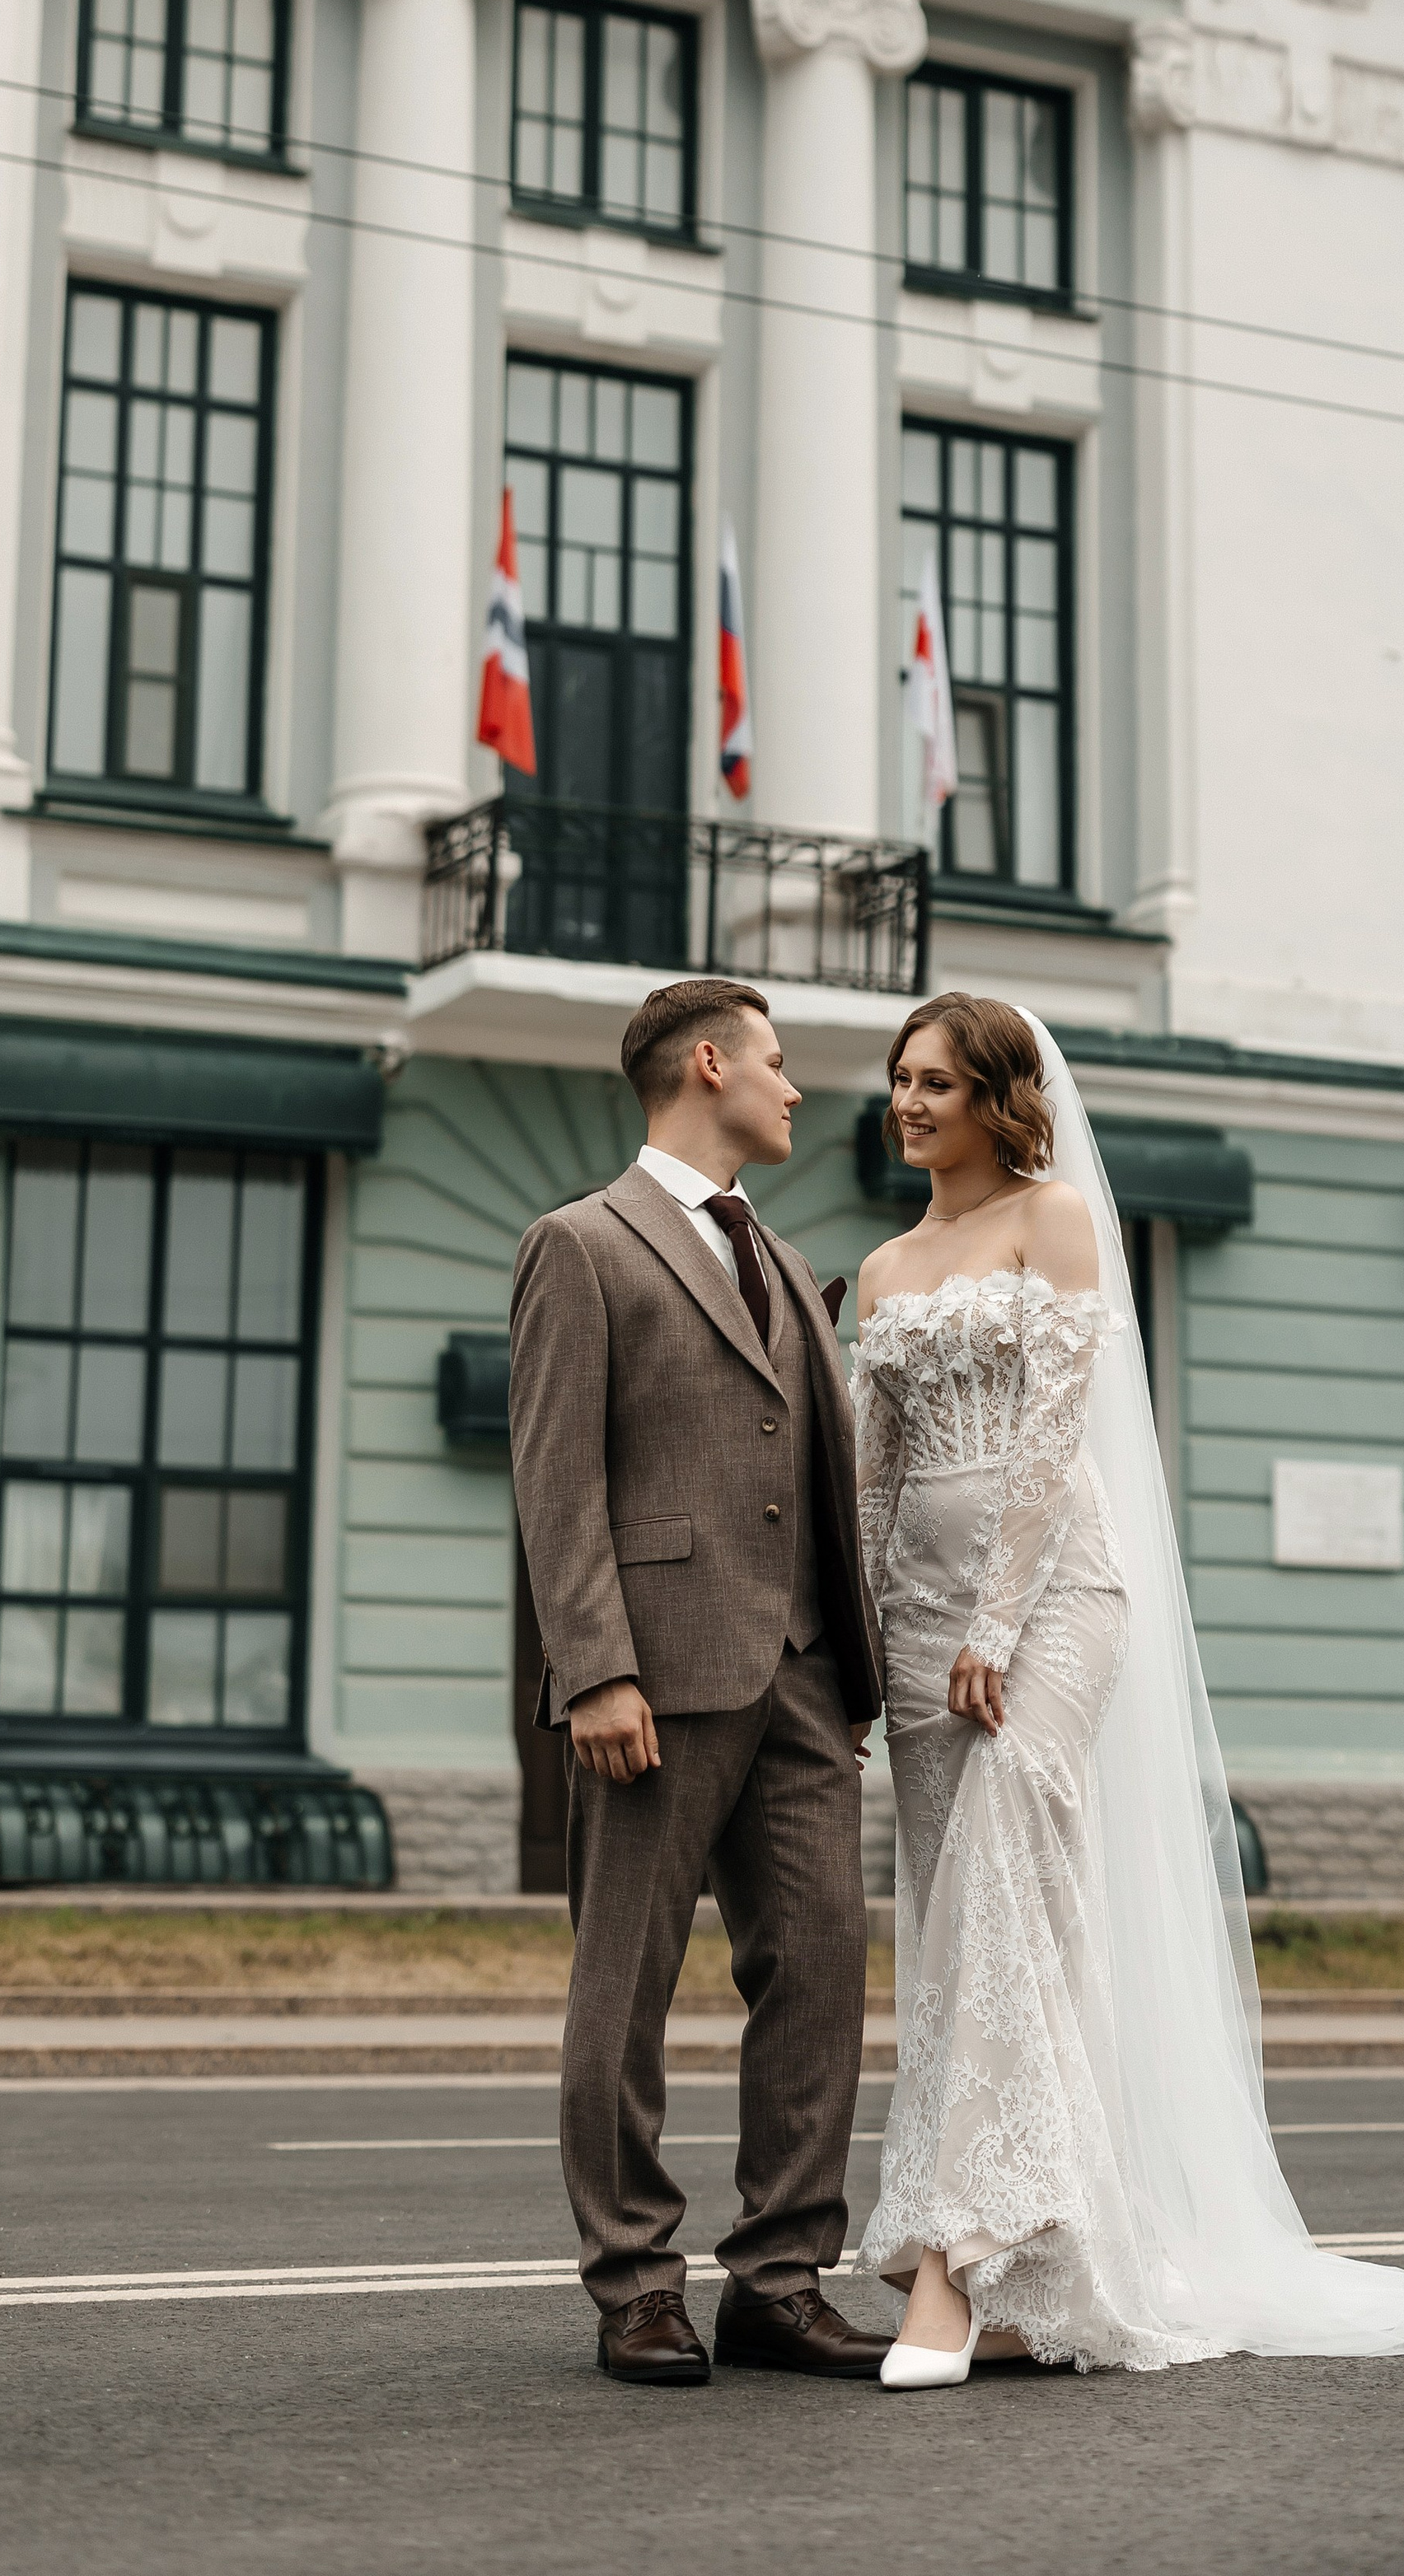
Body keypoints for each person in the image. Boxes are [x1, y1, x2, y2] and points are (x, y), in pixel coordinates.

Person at [853, 991, 1404, 2387]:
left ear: (997, 1096)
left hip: (1047, 1603)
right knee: (974, 1921)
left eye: (934, 1081)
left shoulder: (1056, 1222)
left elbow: (1053, 1435)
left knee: (1003, 1872)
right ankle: (1060, 2257)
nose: (907, 1102)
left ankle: (952, 2258)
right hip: (918, 1627)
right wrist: (866, 1655)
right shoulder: (877, 1268)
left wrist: (996, 1618)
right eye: (897, 1081)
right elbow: (875, 1480)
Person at [508, 976, 891, 2388]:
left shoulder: (785, 1264)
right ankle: (635, 2284)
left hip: (803, 1681)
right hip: (652, 1685)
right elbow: (558, 1481)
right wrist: (595, 1668)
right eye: (779, 1065)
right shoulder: (580, 1245)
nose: (795, 1091)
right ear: (709, 1064)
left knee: (822, 1979)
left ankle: (780, 2282)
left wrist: (853, 1668)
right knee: (626, 1989)